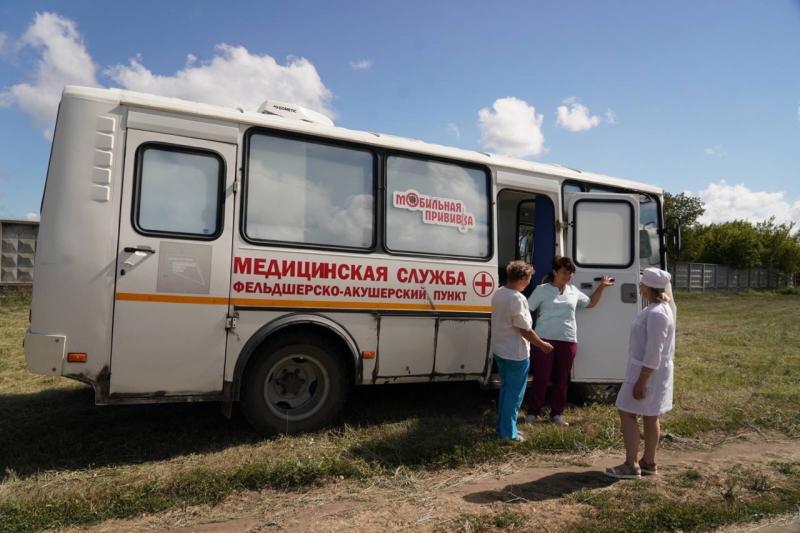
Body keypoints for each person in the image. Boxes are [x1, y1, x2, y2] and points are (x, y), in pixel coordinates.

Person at [524, 256, 614, 426]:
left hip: (567, 339)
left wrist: (601, 287)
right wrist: (529, 333)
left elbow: (590, 303)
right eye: (565, 272)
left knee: (562, 379)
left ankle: (556, 414)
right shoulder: (542, 290)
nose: (568, 276)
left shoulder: (573, 291)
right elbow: (527, 310)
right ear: (555, 272)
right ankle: (532, 412)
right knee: (542, 378)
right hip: (544, 339)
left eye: (571, 273)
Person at [605, 267, 676, 479]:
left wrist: (641, 381)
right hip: (650, 370)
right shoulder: (657, 308)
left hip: (648, 372)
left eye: (642, 283)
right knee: (650, 414)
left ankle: (630, 464)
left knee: (626, 410)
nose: (640, 286)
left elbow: (654, 350)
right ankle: (648, 462)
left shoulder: (656, 314)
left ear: (648, 287)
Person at [491, 260, 554, 441]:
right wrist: (542, 345)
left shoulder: (499, 292)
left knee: (506, 390)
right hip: (515, 353)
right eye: (529, 278)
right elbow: (524, 329)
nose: (529, 282)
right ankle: (507, 433)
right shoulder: (517, 298)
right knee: (514, 394)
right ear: (524, 278)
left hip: (500, 349)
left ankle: (504, 427)